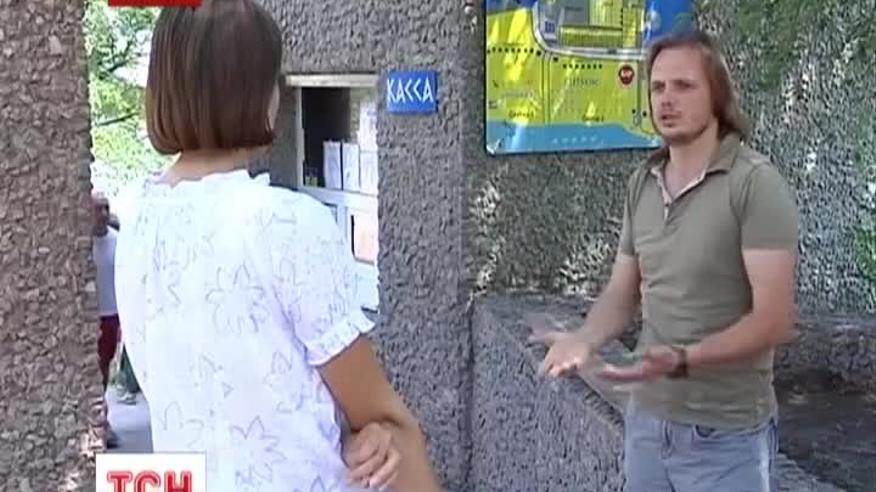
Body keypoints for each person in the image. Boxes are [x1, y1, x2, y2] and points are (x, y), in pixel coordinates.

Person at [114, 1, 442, 491]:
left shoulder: (137, 215)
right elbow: (382, 418)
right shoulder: (286, 224)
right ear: (261, 93)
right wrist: (377, 434)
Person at [532, 30, 798, 491]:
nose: (666, 100)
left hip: (725, 437)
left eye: (683, 86)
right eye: (657, 88)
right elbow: (623, 292)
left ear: (717, 95)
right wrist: (584, 339)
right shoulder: (643, 181)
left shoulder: (755, 184)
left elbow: (773, 320)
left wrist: (683, 359)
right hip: (648, 426)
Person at [92, 190, 120, 448]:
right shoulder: (83, 245)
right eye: (97, 208)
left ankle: (101, 421)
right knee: (95, 369)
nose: (102, 213)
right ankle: (102, 423)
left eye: (105, 208)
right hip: (92, 316)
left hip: (112, 315)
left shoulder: (118, 241)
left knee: (104, 368)